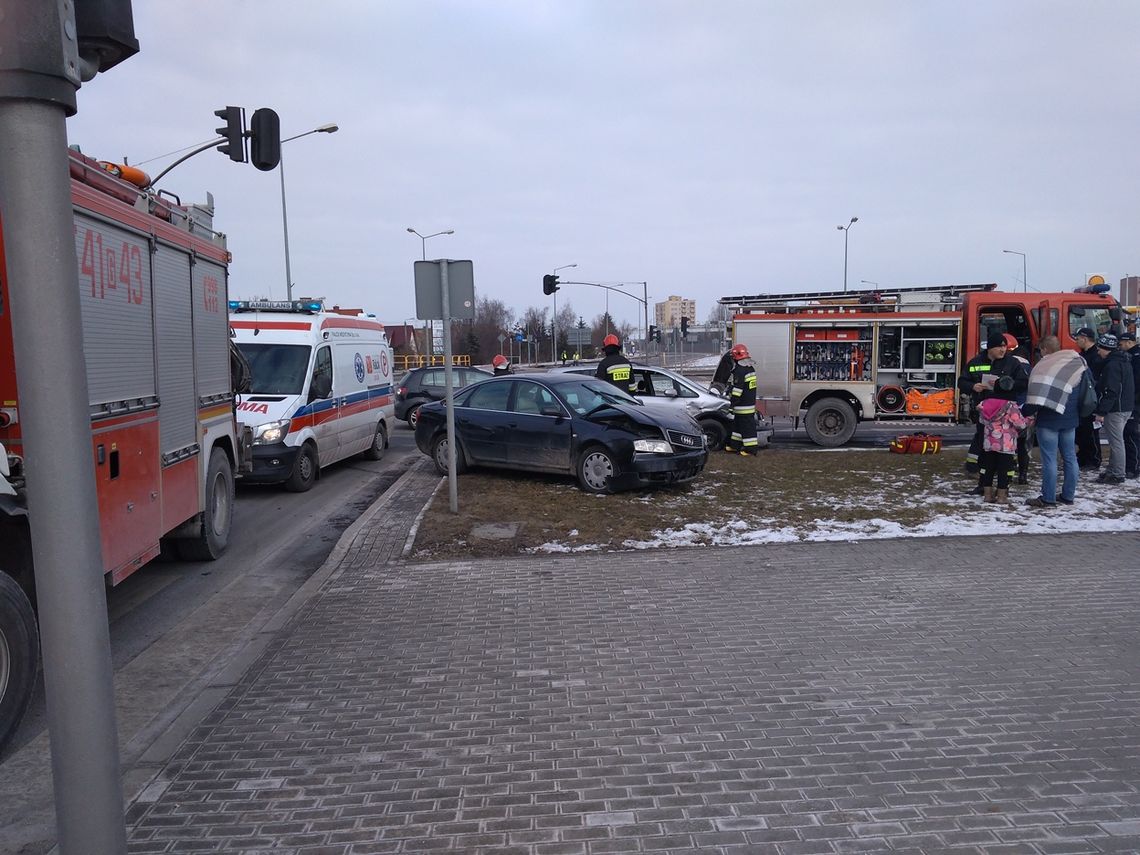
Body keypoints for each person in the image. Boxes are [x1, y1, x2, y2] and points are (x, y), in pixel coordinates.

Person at [956, 332, 1028, 490]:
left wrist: (1008, 384)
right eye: (999, 347)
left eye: (1004, 346)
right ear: (989, 348)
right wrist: (972, 386)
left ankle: (1004, 486)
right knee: (985, 448)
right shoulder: (975, 362)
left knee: (1007, 450)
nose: (1003, 350)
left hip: (1006, 415)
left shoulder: (1012, 363)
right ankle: (983, 484)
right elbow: (962, 381)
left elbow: (1023, 383)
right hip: (984, 413)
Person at [1022, 335, 1085, 508]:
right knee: (1070, 458)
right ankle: (1068, 495)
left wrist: (1024, 412)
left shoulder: (1043, 367)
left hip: (1049, 420)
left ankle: (1048, 498)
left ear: (1044, 350)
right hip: (1070, 419)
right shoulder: (1076, 362)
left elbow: (1036, 397)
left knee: (1050, 460)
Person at [1092, 333, 1133, 484]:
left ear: (1106, 349)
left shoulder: (1112, 365)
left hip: (1116, 409)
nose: (1098, 351)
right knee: (1117, 441)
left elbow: (1111, 391)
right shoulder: (1123, 361)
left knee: (1116, 442)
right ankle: (1113, 470)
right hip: (1125, 406)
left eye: (1100, 348)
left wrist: (1102, 411)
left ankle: (1117, 473)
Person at [977, 394, 1030, 505]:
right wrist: (1028, 420)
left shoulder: (985, 403)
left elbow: (982, 420)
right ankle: (1001, 497)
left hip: (989, 441)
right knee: (1003, 470)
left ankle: (987, 495)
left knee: (989, 469)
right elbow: (1020, 424)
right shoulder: (1010, 405)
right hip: (1005, 443)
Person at [1004, 332, 1032, 484]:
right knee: (1024, 444)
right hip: (1025, 410)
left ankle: (1009, 472)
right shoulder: (1031, 367)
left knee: (1009, 443)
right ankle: (1023, 475)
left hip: (1009, 408)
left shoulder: (1007, 364)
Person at [1073, 327, 1104, 469]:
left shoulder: (1095, 357)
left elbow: (1095, 381)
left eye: (1078, 338)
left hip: (1091, 399)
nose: (1076, 341)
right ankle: (1084, 457)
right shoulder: (1084, 355)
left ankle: (1093, 459)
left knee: (1090, 431)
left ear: (1084, 339)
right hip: (1083, 398)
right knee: (1082, 431)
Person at [725, 343, 759, 455]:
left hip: (742, 405)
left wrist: (732, 405)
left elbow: (737, 391)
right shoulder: (750, 368)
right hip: (748, 403)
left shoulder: (740, 371)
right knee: (737, 427)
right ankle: (735, 445)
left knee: (747, 427)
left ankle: (751, 449)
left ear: (736, 357)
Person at [1120, 331, 1140, 478]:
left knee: (1131, 434)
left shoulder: (1135, 358)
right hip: (1132, 400)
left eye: (1121, 344)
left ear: (1129, 342)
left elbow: (1135, 381)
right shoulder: (1132, 356)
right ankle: (1131, 465)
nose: (1120, 347)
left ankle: (1134, 467)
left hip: (1135, 401)